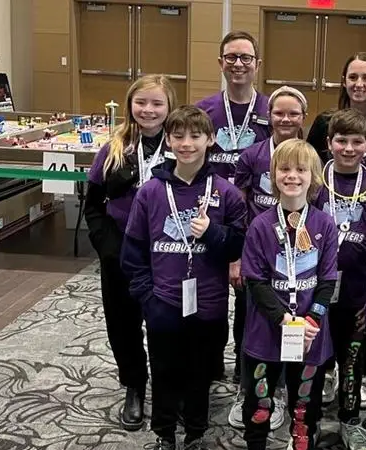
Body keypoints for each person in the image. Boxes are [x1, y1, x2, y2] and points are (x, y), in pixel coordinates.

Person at [120, 105, 247, 450]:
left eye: (195, 136)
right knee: (163, 370)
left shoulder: (227, 192)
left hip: (209, 304)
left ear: (211, 140)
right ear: (168, 140)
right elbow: (133, 251)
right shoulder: (150, 192)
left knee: (200, 372)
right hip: (163, 302)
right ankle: (164, 433)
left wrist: (212, 233)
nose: (186, 143)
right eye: (178, 136)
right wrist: (148, 297)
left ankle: (195, 432)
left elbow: (238, 245)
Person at [83, 74, 177, 432]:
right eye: (141, 102)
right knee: (123, 324)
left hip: (169, 250)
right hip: (122, 251)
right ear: (130, 105)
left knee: (165, 324)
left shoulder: (180, 145)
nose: (148, 110)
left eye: (157, 103)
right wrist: (106, 246)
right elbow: (92, 204)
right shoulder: (114, 148)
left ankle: (169, 387)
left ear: (169, 107)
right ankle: (134, 385)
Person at [240, 138, 338, 450]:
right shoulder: (259, 225)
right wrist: (283, 319)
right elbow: (255, 281)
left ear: (314, 178)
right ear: (273, 175)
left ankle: (302, 443)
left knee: (304, 403)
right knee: (259, 401)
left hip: (311, 331)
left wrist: (311, 319)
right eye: (284, 169)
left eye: (301, 169)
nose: (292, 175)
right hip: (266, 328)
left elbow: (327, 280)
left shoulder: (325, 224)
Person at [229, 86, 310, 430]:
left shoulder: (308, 156)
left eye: (293, 113)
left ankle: (278, 391)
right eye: (279, 113)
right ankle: (248, 385)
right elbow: (237, 207)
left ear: (303, 118)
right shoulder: (252, 155)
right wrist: (236, 258)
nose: (286, 119)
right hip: (257, 252)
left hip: (295, 263)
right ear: (269, 116)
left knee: (290, 321)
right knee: (250, 318)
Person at [312, 108, 366, 450]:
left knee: (352, 362)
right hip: (313, 290)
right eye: (341, 140)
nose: (348, 148)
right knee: (312, 361)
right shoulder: (313, 180)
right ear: (328, 143)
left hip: (358, 293)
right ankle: (308, 420)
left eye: (356, 141)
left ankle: (349, 420)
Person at [196, 30, 271, 382]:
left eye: (245, 58)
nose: (238, 64)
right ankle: (208, 367)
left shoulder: (273, 111)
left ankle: (245, 372)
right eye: (231, 57)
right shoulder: (204, 110)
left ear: (257, 63)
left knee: (247, 301)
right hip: (207, 219)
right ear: (220, 63)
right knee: (207, 298)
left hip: (254, 221)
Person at [306, 52, 366, 183]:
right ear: (344, 82)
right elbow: (309, 167)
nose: (359, 84)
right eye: (353, 77)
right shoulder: (324, 122)